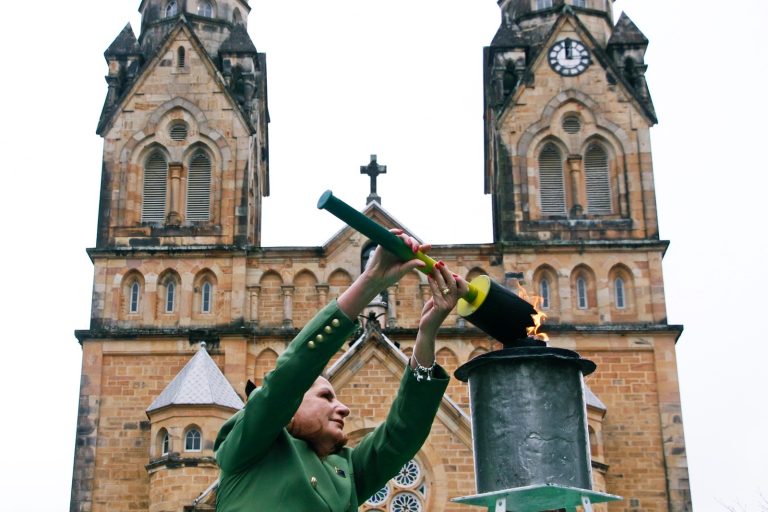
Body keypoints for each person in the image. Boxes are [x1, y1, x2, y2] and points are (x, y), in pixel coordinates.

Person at [214, 230, 467, 511]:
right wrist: (370, 282)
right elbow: (292, 373)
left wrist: (427, 331)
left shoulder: (347, 472)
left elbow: (403, 434)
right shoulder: (250, 445)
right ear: (292, 406)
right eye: (326, 397)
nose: (344, 408)